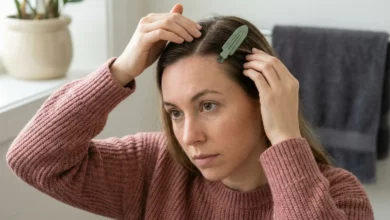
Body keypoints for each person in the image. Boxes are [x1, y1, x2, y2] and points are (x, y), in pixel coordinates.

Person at [6, 3, 374, 220]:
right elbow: (32, 159)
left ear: (262, 97)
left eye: (208, 105)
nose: (188, 136)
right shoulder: (154, 166)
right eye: (175, 112)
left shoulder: (339, 197)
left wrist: (286, 138)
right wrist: (121, 70)